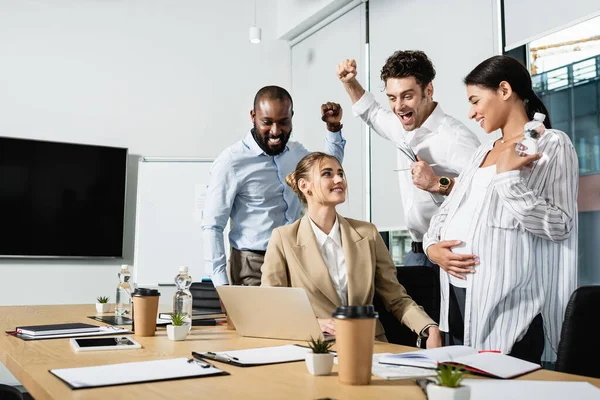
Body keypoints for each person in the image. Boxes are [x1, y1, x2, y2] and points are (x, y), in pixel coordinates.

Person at [424, 55, 578, 363]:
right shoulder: (483, 151)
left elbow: (560, 224)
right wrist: (431, 248)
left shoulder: (550, 144)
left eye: (476, 101)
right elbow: (446, 212)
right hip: (456, 295)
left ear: (504, 90)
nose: (471, 113)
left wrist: (508, 179)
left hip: (509, 305)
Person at [261, 152, 442, 347]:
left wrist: (428, 327)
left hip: (371, 345)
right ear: (305, 186)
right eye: (327, 174)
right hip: (316, 349)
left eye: (340, 173)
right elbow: (273, 308)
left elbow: (395, 297)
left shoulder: (368, 233)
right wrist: (314, 324)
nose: (339, 179)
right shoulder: (284, 238)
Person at [337, 51, 480, 266]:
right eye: (392, 98)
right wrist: (350, 83)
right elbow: (372, 113)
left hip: (453, 253)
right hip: (417, 252)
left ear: (428, 90)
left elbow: (485, 190)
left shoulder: (455, 138)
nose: (398, 106)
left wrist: (437, 183)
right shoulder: (401, 126)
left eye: (407, 96)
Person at [202, 86, 346, 287]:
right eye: (267, 123)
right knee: (260, 319)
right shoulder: (231, 162)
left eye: (283, 122)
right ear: (253, 116)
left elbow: (328, 173)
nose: (276, 131)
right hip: (252, 264)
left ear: (292, 117)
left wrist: (333, 129)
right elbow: (213, 225)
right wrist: (221, 285)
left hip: (296, 257)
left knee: (299, 318)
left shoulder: (296, 153)